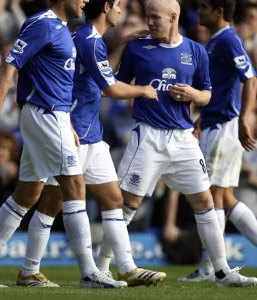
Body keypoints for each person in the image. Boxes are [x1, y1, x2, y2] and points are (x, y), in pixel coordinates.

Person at [0, 0, 129, 289]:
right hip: (45, 113)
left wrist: (68, 125)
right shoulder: (42, 23)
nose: (84, 1)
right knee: (74, 187)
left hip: (55, 117)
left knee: (27, 194)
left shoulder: (64, 28)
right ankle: (89, 272)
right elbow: (8, 67)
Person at [96, 0, 257, 287]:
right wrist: (139, 88)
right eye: (147, 17)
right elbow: (113, 87)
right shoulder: (138, 48)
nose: (150, 22)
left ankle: (221, 272)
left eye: (155, 17)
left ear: (173, 17)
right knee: (127, 205)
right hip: (148, 136)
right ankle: (102, 267)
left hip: (184, 138)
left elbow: (207, 94)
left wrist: (194, 95)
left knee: (206, 201)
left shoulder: (195, 50)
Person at [17, 0, 164, 288]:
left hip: (91, 133)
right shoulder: (86, 38)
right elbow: (109, 87)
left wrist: (121, 45)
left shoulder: (86, 38)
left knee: (113, 199)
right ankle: (37, 270)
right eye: (118, 4)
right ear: (106, 7)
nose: (121, 9)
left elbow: (99, 77)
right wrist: (143, 90)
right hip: (78, 132)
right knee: (51, 203)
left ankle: (127, 268)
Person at [179, 0, 257, 282]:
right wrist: (203, 117)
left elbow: (250, 78)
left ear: (219, 11)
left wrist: (243, 118)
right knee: (224, 197)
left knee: (210, 197)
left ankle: (210, 268)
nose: (198, 12)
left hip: (226, 127)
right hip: (215, 124)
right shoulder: (216, 41)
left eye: (203, 7)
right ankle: (211, 267)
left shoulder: (227, 40)